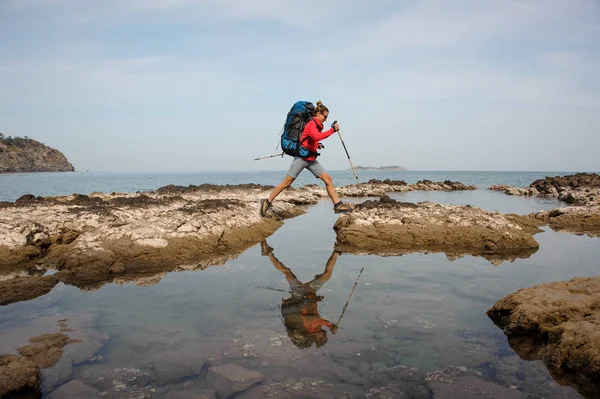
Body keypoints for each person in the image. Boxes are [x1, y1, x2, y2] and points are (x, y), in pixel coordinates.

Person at [260, 101, 353, 217]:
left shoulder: (318, 126)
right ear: (318, 114)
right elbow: (316, 136)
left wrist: (317, 145)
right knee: (287, 183)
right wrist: (332, 130)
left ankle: (337, 205)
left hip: (311, 159)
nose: (326, 119)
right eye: (325, 116)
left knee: (328, 179)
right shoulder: (311, 124)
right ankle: (267, 202)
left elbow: (313, 139)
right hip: (302, 158)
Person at [260, 240, 339, 348]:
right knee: (325, 275)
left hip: (300, 295)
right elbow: (321, 322)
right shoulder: (317, 328)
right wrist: (331, 326)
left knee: (288, 272)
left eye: (323, 336)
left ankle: (268, 253)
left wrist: (330, 325)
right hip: (309, 292)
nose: (325, 334)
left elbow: (313, 319)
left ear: (318, 337)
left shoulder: (311, 328)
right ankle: (337, 251)